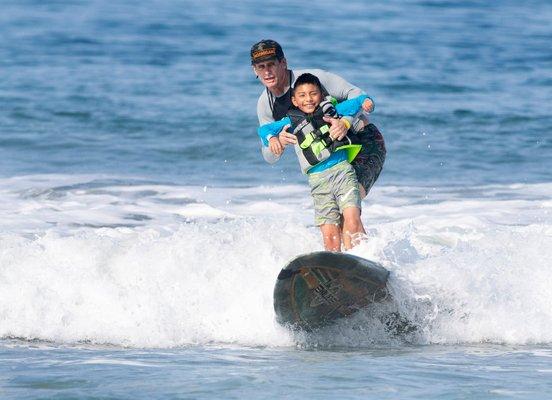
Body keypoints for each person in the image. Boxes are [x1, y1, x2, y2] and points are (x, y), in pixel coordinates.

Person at [251, 39, 386, 200]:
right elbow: (269, 156)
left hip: (362, 142)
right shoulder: (265, 104)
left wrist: (345, 122)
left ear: (283, 63)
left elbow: (360, 95)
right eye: (261, 67)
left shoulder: (313, 79)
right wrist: (277, 141)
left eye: (271, 64)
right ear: (255, 70)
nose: (267, 72)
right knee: (333, 218)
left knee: (347, 204)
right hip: (326, 163)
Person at [277, 73, 365, 251]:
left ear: (321, 96)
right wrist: (272, 138)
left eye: (313, 94)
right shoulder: (291, 121)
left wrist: (364, 105)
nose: (308, 99)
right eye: (302, 95)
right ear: (294, 101)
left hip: (342, 172)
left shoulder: (330, 110)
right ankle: (333, 271)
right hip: (318, 181)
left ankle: (361, 260)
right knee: (330, 237)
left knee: (352, 218)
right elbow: (264, 130)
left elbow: (359, 100)